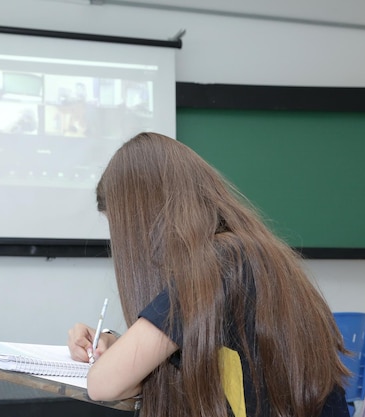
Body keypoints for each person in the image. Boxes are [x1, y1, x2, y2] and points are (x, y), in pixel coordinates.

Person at [68, 132, 350, 417]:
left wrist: (112, 356)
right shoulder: (244, 252)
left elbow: (104, 384)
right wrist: (111, 341)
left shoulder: (218, 265)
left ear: (143, 220)